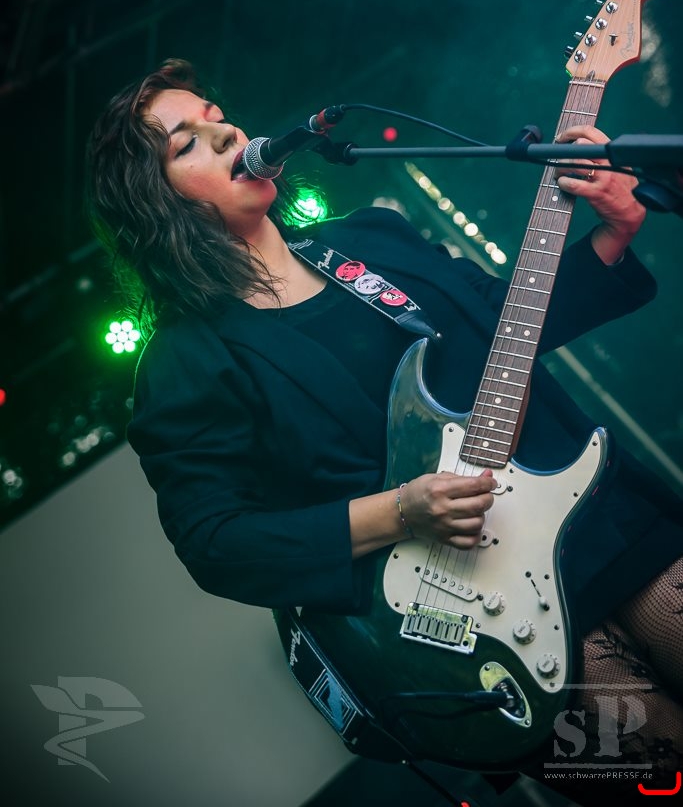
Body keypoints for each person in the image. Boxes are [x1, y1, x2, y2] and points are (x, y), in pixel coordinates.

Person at [86, 58, 682, 805]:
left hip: (604, 527)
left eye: (216, 115)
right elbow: (217, 543)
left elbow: (507, 322)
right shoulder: (184, 364)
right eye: (186, 143)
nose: (226, 131)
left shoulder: (371, 238)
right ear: (155, 203)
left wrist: (614, 232)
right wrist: (400, 511)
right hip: (476, 628)